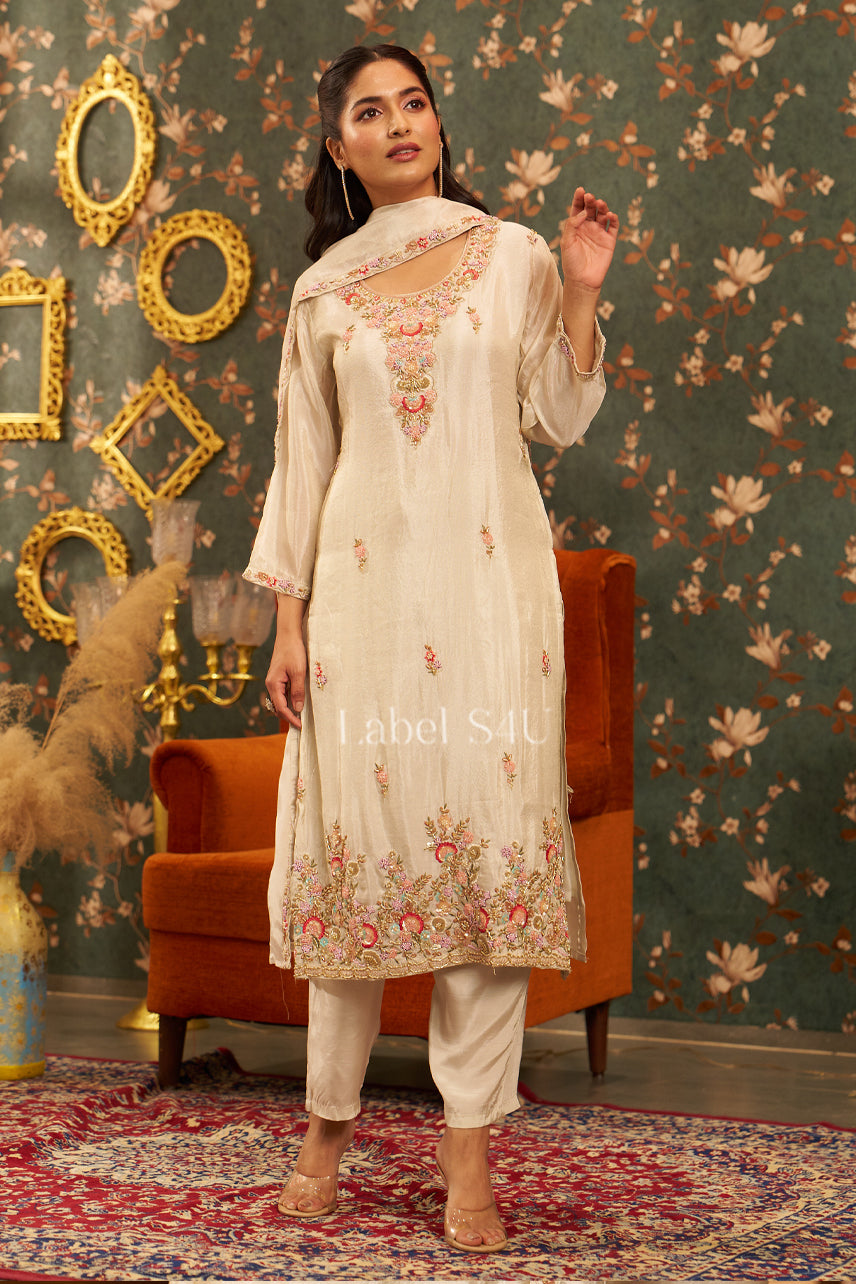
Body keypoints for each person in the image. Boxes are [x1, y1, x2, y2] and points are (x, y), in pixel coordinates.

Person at [244, 42, 618, 1254]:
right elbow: (303, 461)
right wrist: (288, 621)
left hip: (490, 600)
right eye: (371, 110)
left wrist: (579, 290)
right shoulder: (323, 293)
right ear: (338, 148)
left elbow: (556, 414)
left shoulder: (510, 254)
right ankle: (325, 1129)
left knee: (488, 862)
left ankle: (468, 1147)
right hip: (361, 609)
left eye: (414, 102)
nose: (400, 122)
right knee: (355, 853)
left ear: (439, 126)